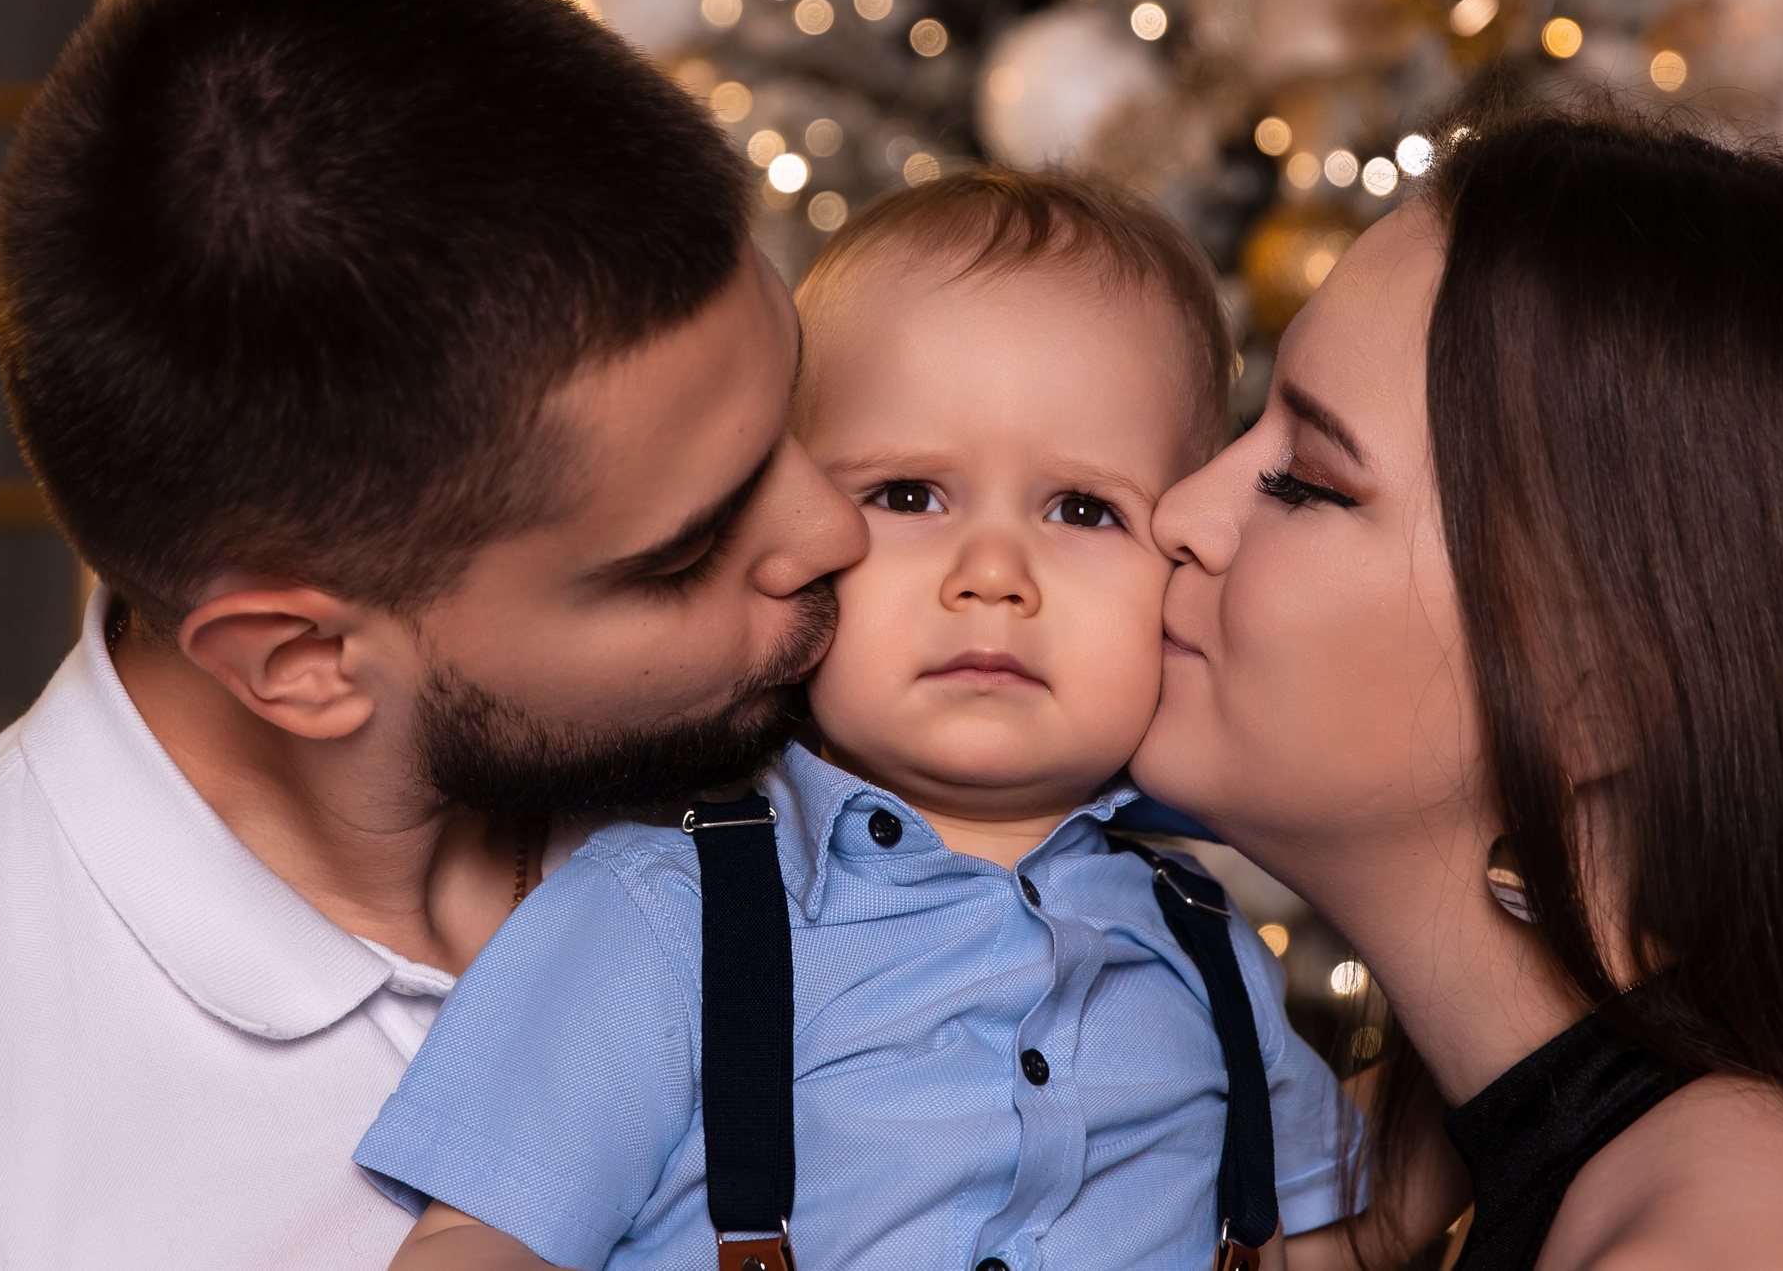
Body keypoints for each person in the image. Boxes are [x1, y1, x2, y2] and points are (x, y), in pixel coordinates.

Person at [0, 0, 869, 1267]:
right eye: (685, 550)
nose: (834, 527)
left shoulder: (863, 768)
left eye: (794, 401)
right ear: (303, 657)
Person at [1132, 105, 1783, 1271]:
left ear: (1601, 696)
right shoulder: (1455, 1156)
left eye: (1309, 480)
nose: (1181, 513)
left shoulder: (1743, 1241)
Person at [360, 171, 1360, 1271]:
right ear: (797, 528)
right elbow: (480, 1244)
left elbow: (1320, 1245)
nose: (992, 575)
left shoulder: (1209, 954)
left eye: (1082, 510)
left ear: (1178, 566)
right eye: (908, 495)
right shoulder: (656, 922)